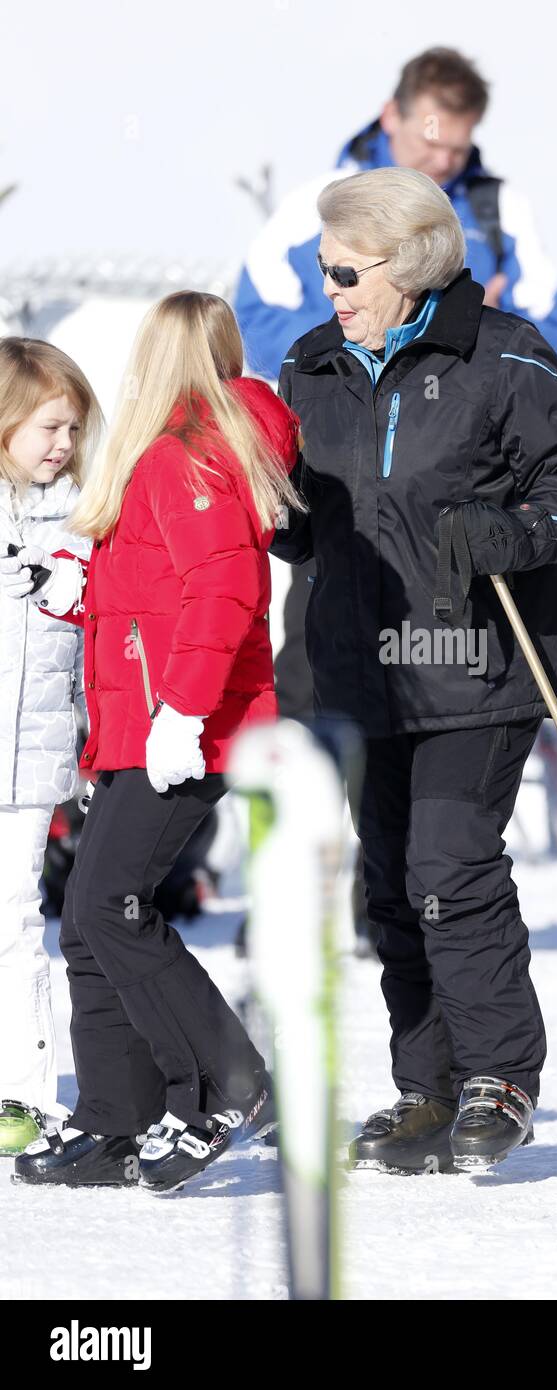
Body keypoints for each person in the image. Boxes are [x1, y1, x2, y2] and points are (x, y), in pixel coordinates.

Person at [270, 167, 557, 1174]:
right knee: (389, 888)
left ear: (409, 261)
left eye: (344, 266)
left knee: (448, 868)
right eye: (320, 263)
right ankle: (423, 1088)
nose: (327, 283)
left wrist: (505, 531)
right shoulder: (311, 365)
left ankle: (497, 1075)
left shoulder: (501, 357)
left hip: (474, 662)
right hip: (358, 668)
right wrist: (266, 508)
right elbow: (308, 532)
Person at [1, 292, 302, 1193]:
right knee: (92, 926)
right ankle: (113, 1118)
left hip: (185, 729)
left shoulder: (189, 457)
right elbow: (146, 593)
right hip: (143, 728)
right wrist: (72, 588)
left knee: (107, 910)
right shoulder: (166, 458)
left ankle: (228, 1083)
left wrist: (181, 711)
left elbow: (223, 594)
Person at [235, 46, 557, 380]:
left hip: (460, 424)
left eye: (457, 149)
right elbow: (254, 327)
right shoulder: (317, 204)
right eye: (431, 143)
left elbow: (552, 346)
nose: (443, 162)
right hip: (335, 422)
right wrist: (366, 340)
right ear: (392, 117)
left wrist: (488, 334)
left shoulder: (504, 211)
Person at [0, 338, 101, 1155]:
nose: (63, 444)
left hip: (30, 767)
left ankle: (21, 1094)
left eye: (73, 428)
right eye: (48, 428)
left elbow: (90, 644)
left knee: (12, 924)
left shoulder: (80, 522)